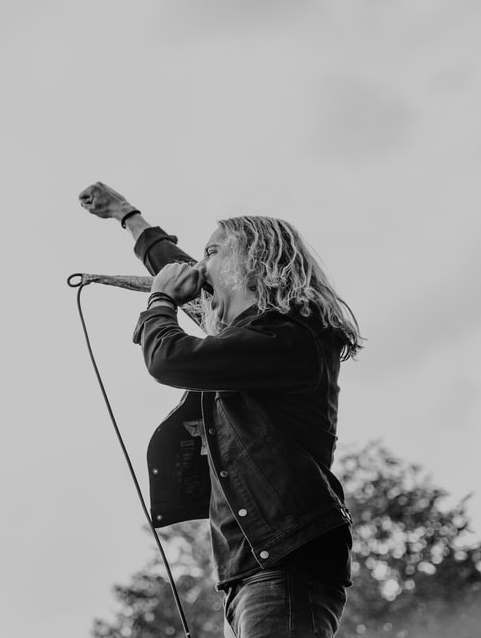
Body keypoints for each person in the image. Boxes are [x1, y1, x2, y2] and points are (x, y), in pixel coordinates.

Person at [78, 181, 363, 638]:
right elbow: (173, 265)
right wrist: (126, 214)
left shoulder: (287, 334)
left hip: (285, 560)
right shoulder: (248, 341)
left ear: (254, 261)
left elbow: (168, 359)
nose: (197, 266)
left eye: (211, 252)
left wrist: (160, 302)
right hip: (252, 568)